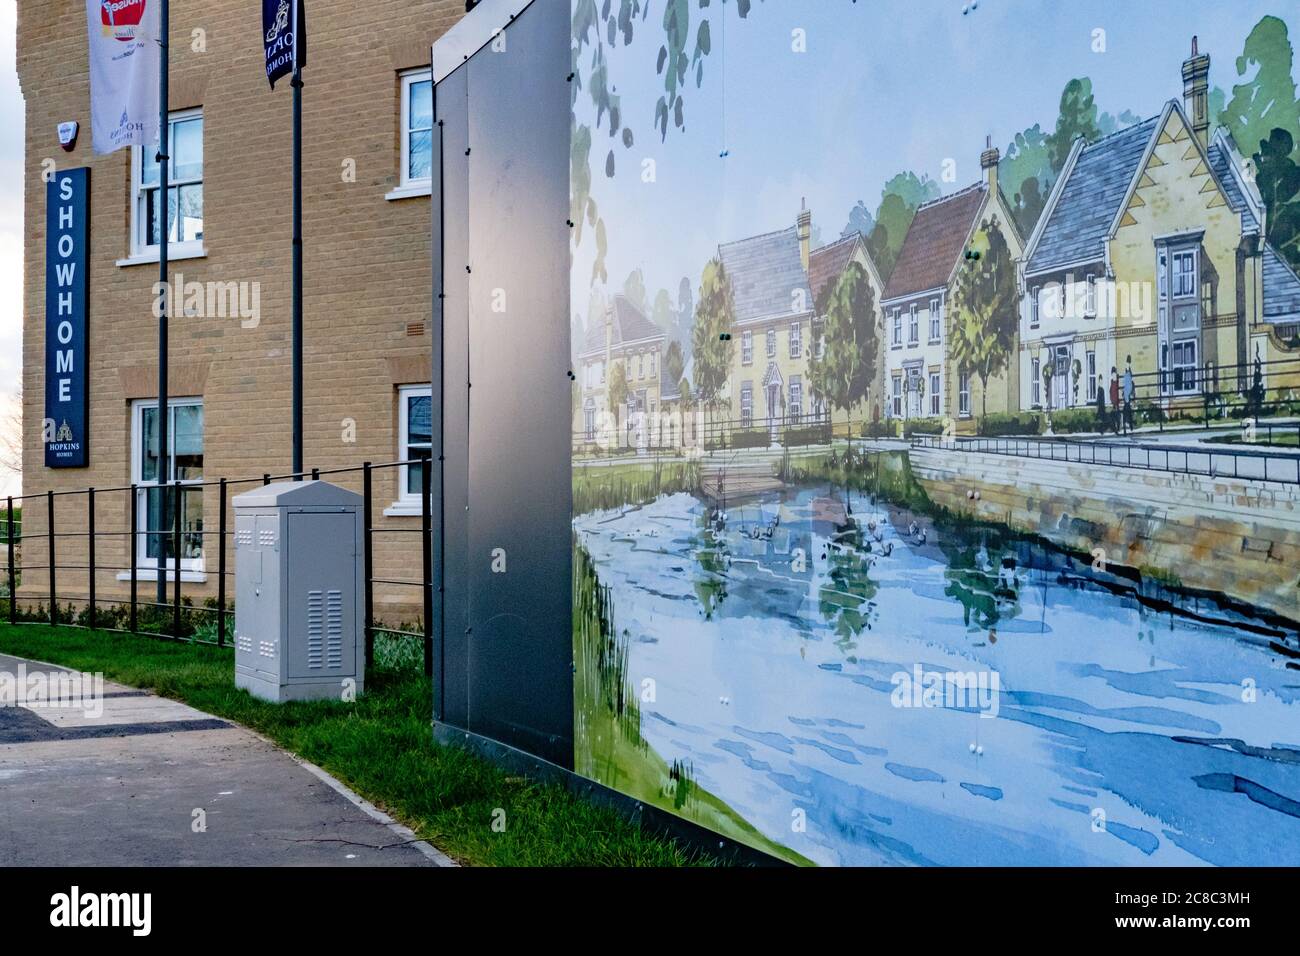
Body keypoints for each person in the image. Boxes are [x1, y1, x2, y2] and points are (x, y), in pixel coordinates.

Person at [1122, 356, 1135, 434]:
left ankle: (1128, 424)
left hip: (1127, 394)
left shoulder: (1128, 373)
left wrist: (1127, 394)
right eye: (1126, 363)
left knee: (1126, 410)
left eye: (1128, 363)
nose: (1127, 365)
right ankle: (1129, 425)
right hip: (1126, 394)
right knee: (1127, 410)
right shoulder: (1127, 372)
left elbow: (1129, 384)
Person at [1109, 367, 1120, 434]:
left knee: (1116, 416)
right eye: (1112, 374)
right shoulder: (1112, 381)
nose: (1113, 375)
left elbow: (1115, 391)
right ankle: (1116, 429)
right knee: (1113, 417)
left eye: (1114, 374)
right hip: (1113, 402)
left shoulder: (1116, 382)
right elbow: (1111, 391)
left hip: (1116, 402)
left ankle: (1117, 429)